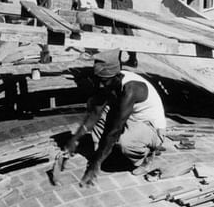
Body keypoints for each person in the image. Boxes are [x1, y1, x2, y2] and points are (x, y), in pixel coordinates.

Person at [65, 49, 166, 187]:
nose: (101, 85)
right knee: (95, 104)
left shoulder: (131, 89)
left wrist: (94, 166)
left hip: (152, 129)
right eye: (99, 81)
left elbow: (115, 129)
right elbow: (95, 113)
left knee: (125, 141)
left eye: (104, 82)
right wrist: (75, 139)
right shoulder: (110, 81)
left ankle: (147, 156)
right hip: (132, 120)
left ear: (116, 77)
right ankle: (105, 151)